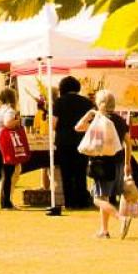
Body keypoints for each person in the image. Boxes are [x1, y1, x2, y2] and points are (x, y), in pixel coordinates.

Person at [77, 89, 133, 240]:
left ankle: (121, 218)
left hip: (102, 163)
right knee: (105, 197)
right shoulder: (120, 120)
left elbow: (79, 127)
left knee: (98, 198)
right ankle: (104, 230)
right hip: (119, 162)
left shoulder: (99, 120)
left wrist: (89, 114)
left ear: (100, 104)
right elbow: (128, 143)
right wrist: (128, 163)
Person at [49, 75, 92, 217]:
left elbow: (54, 124)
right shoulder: (86, 102)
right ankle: (82, 200)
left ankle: (70, 202)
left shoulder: (59, 102)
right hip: (82, 141)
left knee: (66, 174)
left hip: (64, 142)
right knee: (80, 172)